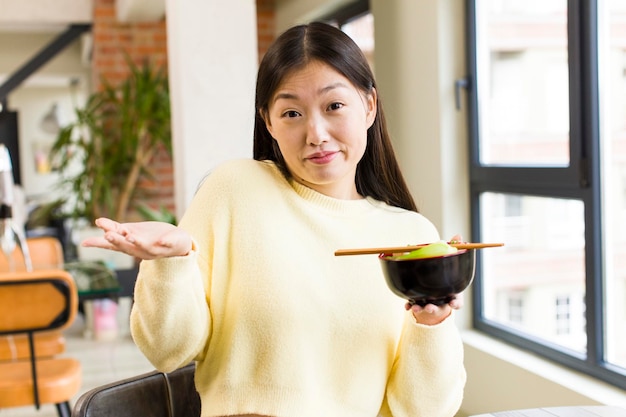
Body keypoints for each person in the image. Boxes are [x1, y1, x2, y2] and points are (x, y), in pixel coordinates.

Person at [84, 21, 466, 417]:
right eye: (291, 113)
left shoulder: (410, 237)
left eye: (334, 106)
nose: (316, 133)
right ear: (268, 121)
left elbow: (423, 411)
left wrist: (431, 325)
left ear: (368, 105)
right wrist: (169, 262)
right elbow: (166, 351)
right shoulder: (234, 189)